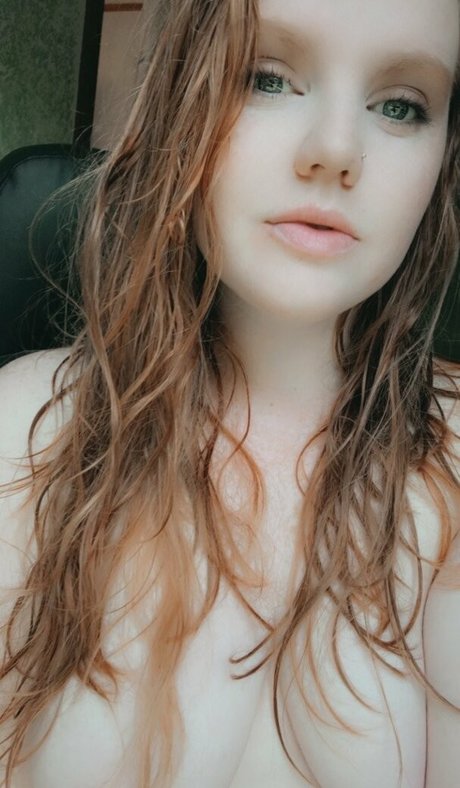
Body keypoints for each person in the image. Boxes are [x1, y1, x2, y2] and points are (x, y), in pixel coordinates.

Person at [0, 0, 459, 785]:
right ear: (179, 98)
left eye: (400, 105)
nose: (335, 151)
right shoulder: (22, 427)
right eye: (266, 77)